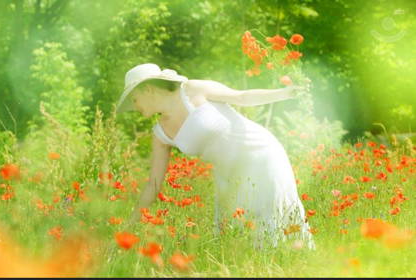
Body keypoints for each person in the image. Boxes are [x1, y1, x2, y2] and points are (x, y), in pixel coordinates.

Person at [116, 63, 315, 250]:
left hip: (260, 155)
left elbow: (243, 97)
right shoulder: (160, 134)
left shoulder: (193, 90)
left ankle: (298, 267)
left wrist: (286, 93)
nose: (135, 108)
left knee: (278, 221)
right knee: (239, 239)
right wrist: (128, 226)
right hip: (230, 178)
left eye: (134, 100)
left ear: (147, 90)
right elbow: (153, 184)